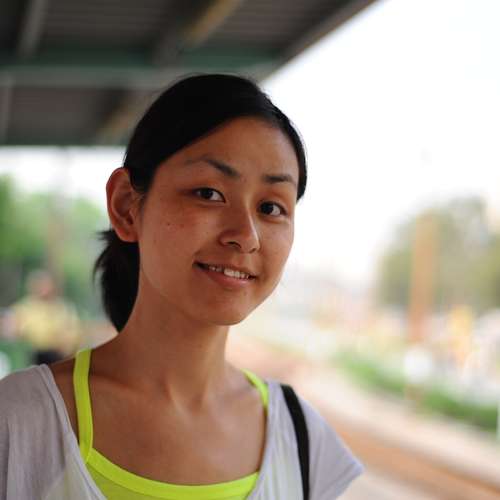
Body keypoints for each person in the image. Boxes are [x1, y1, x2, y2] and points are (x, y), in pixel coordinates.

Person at [0, 74, 363, 499]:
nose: (246, 236)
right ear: (126, 206)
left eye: (270, 207)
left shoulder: (305, 446)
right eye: (208, 193)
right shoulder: (20, 424)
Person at [5, 268, 81, 365]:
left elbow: (74, 333)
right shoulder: (25, 307)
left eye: (45, 285)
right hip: (35, 356)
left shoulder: (63, 307)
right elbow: (13, 328)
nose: (42, 288)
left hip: (59, 356)